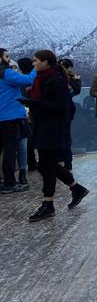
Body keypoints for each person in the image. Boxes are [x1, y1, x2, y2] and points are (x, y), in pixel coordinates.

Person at [22, 50, 89, 222]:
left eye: (36, 61)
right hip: (43, 127)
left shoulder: (56, 81)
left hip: (52, 129)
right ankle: (76, 188)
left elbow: (61, 107)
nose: (33, 64)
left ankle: (48, 203)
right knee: (47, 163)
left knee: (45, 165)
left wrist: (34, 103)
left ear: (45, 62)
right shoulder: (40, 79)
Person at [0, 48, 37, 193]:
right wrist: (35, 68)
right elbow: (27, 80)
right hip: (9, 117)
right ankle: (10, 183)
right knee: (10, 150)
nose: (9, 59)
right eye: (7, 56)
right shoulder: (5, 72)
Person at [57, 57, 81, 171]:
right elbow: (76, 91)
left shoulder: (56, 77)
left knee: (60, 136)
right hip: (67, 110)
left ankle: (60, 159)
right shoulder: (69, 78)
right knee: (66, 137)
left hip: (59, 110)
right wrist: (76, 80)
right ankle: (67, 162)